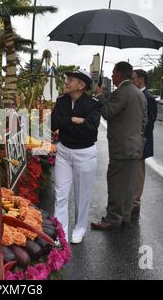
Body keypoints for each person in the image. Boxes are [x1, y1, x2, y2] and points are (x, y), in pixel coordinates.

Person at [91, 62, 147, 230]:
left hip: (121, 148)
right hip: (135, 146)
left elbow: (108, 113)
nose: (112, 76)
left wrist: (100, 96)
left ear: (120, 74)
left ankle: (112, 218)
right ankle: (125, 215)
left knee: (116, 183)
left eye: (113, 73)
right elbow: (144, 120)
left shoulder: (122, 92)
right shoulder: (139, 93)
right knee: (128, 185)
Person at [51, 69, 101, 244]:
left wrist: (66, 123)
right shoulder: (61, 101)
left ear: (81, 85)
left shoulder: (93, 104)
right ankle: (60, 232)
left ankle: (79, 229)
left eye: (70, 80)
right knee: (60, 194)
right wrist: (73, 120)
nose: (66, 82)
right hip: (64, 151)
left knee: (82, 196)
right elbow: (53, 122)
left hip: (84, 153)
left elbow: (90, 128)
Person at [131, 69, 157, 215]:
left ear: (141, 80)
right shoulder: (137, 95)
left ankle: (135, 202)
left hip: (141, 141)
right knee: (132, 171)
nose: (132, 80)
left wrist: (142, 142)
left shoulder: (148, 97)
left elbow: (150, 124)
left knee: (138, 173)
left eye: (133, 78)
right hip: (133, 140)